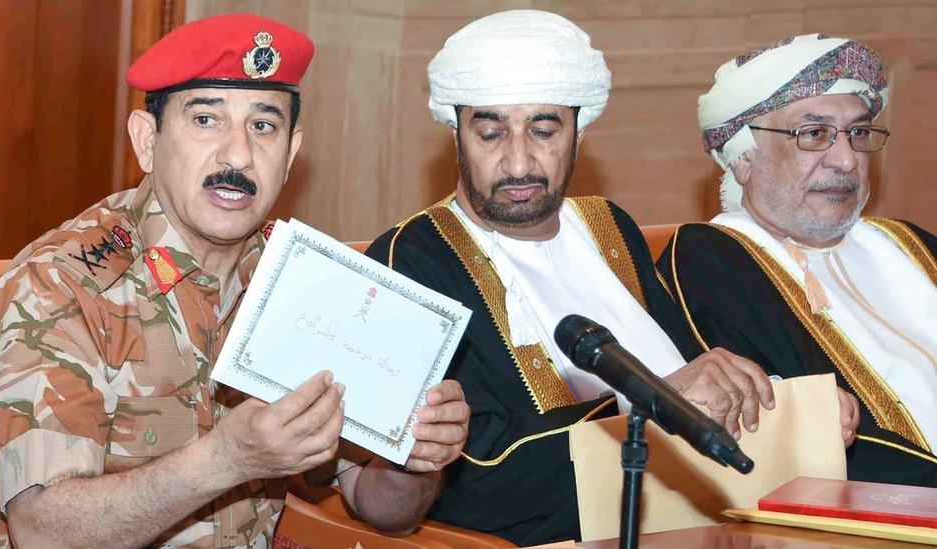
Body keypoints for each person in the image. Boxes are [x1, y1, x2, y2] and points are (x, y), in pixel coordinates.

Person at [0, 14, 469, 548]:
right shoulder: (61, 285)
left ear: (290, 154)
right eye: (206, 119)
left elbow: (377, 506)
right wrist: (225, 460)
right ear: (147, 141)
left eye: (263, 126)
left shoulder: (302, 282)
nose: (238, 155)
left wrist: (416, 459)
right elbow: (43, 534)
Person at [364, 11, 852, 546]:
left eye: (545, 130)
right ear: (456, 133)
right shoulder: (415, 255)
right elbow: (478, 480)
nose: (519, 161)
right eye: (490, 133)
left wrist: (796, 411)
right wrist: (653, 405)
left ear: (580, 132)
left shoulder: (606, 226)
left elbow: (698, 373)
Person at [658, 34, 937, 487]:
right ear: (743, 159)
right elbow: (782, 433)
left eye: (858, 133)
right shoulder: (712, 261)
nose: (847, 160)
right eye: (814, 134)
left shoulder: (907, 244)